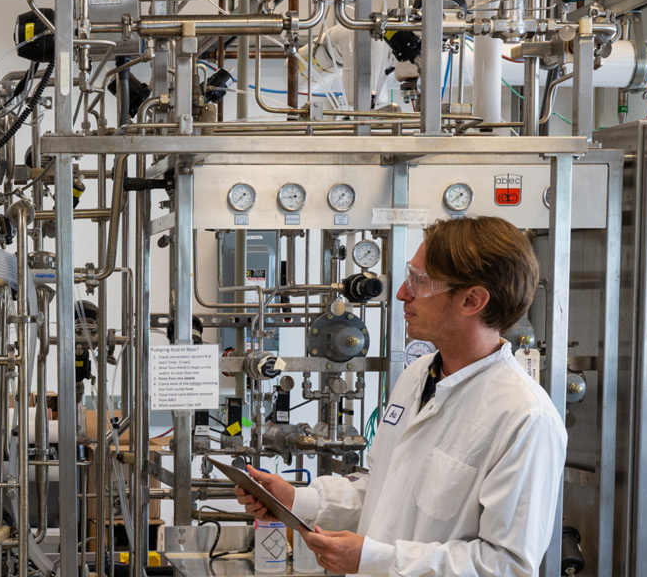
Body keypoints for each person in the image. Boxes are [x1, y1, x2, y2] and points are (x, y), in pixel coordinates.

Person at [236, 216, 565, 576]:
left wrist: (376, 559)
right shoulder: (418, 374)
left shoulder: (525, 417)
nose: (402, 293)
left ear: (472, 300)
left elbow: (506, 565)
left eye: (420, 280)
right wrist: (298, 500)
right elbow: (382, 488)